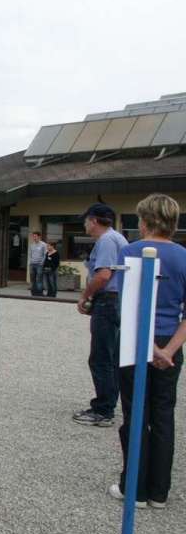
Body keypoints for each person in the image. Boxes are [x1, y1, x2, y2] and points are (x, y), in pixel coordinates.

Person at [109, 194, 186, 509]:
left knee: (135, 412)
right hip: (171, 341)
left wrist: (150, 348)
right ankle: (159, 491)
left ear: (145, 221)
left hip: (135, 342)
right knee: (164, 414)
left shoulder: (131, 252)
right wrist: (167, 350)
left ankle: (134, 488)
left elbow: (128, 308)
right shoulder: (184, 255)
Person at [73, 203, 128, 427]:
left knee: (101, 357)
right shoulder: (117, 238)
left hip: (108, 300)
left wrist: (85, 296)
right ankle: (109, 404)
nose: (84, 224)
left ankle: (103, 410)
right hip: (116, 300)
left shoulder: (105, 241)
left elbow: (104, 275)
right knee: (111, 356)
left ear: (94, 220)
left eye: (86, 220)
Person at [28, 231, 47, 296]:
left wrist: (42, 263)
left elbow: (45, 254)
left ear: (39, 236)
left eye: (35, 236)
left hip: (39, 265)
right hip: (32, 264)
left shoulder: (43, 244)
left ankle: (39, 293)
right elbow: (30, 254)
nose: (34, 237)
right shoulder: (32, 245)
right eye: (33, 236)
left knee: (39, 279)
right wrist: (30, 262)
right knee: (32, 279)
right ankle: (33, 293)